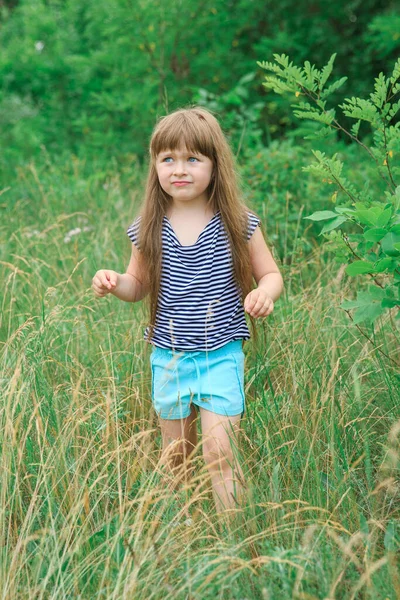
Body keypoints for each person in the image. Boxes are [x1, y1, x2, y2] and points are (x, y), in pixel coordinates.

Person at [92, 106, 284, 515]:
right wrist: (114, 281)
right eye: (168, 159)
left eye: (193, 159)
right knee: (175, 456)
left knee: (220, 454)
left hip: (221, 354)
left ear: (215, 166)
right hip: (170, 358)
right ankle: (178, 535)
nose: (180, 169)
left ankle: (235, 537)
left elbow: (271, 274)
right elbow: (138, 284)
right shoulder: (149, 224)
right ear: (155, 165)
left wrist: (265, 293)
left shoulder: (237, 222)